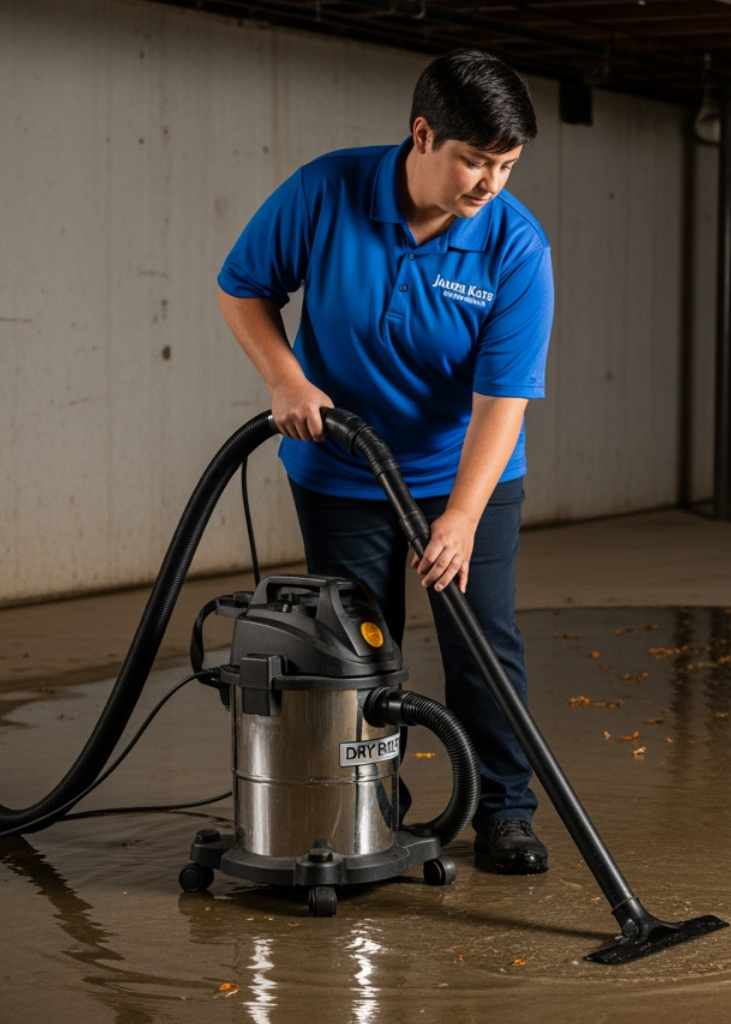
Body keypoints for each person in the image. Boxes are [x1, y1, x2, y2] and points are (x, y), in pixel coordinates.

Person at [216, 50, 554, 874]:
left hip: (466, 470)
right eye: (474, 160)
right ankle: (370, 809)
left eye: (507, 165)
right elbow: (242, 287)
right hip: (343, 469)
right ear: (423, 133)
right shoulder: (326, 191)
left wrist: (462, 516)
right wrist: (286, 377)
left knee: (480, 642)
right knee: (357, 648)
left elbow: (502, 399)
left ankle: (505, 812)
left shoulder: (515, 245)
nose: (490, 183)